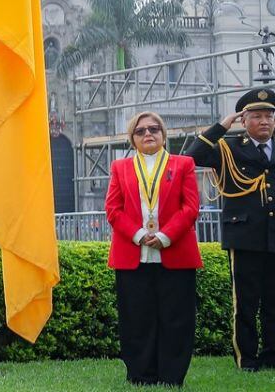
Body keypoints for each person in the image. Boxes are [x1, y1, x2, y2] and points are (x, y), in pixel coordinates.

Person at [183, 87, 275, 372]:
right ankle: (248, 359)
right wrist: (221, 126)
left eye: (269, 116)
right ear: (244, 120)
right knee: (246, 304)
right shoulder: (229, 148)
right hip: (244, 237)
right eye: (256, 116)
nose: (264, 121)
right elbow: (192, 157)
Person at [107, 111, 201, 386]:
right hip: (132, 254)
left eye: (154, 129)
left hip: (175, 252)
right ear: (132, 138)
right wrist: (138, 234)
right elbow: (113, 209)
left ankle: (172, 376)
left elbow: (190, 207)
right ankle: (140, 375)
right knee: (136, 319)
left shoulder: (183, 164)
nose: (148, 134)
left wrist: (165, 235)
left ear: (163, 134)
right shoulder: (120, 167)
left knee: (177, 319)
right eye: (141, 131)